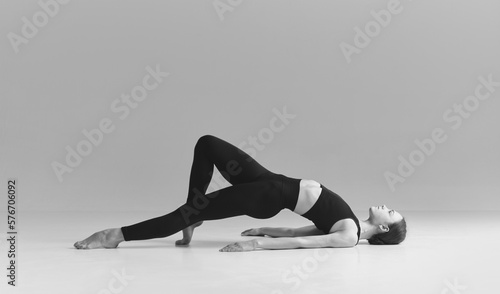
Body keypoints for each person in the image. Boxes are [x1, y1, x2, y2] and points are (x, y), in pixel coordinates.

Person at [74, 135, 407, 252]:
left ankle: (114, 236)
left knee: (188, 213)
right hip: (269, 180)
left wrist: (256, 244)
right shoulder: (349, 224)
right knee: (206, 144)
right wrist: (263, 229)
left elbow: (302, 242)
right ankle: (193, 217)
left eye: (390, 213)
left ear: (385, 229)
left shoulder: (349, 236)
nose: (386, 207)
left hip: (266, 197)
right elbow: (297, 229)